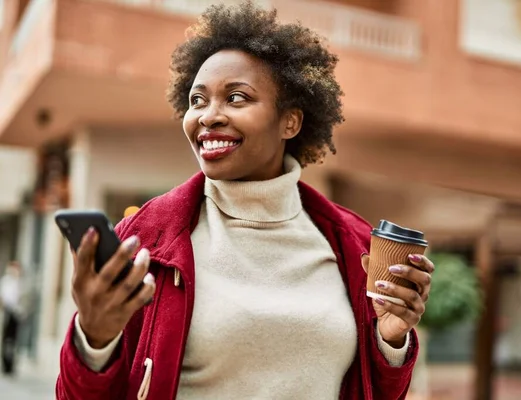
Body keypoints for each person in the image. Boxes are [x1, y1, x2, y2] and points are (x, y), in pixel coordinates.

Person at [55, 2, 435, 399]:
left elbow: (374, 390)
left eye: (236, 98)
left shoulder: (353, 243)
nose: (208, 116)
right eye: (197, 100)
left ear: (290, 121)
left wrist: (390, 342)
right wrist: (93, 338)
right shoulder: (146, 238)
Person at [1, 261, 24, 375]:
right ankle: (5, 364)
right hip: (8, 311)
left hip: (16, 312)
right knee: (6, 339)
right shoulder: (6, 281)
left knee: (13, 340)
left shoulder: (18, 282)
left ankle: (11, 364)